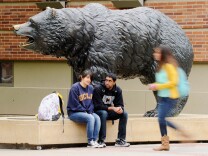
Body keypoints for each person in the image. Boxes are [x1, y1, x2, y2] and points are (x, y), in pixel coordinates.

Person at [148, 45, 187, 151]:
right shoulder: (160, 67)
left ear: (163, 55)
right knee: (161, 119)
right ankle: (165, 143)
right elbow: (162, 82)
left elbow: (174, 82)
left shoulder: (169, 66)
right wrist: (154, 85)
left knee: (161, 119)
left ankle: (177, 133)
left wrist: (158, 86)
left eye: (158, 53)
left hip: (170, 97)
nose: (155, 54)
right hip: (162, 97)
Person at [67, 69, 103, 148]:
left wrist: (89, 110)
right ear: (82, 77)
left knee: (97, 118)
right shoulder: (75, 87)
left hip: (86, 112)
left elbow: (91, 102)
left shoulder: (90, 88)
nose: (89, 80)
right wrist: (85, 111)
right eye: (87, 77)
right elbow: (74, 104)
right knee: (90, 118)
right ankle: (90, 141)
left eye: (90, 78)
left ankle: (94, 140)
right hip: (74, 112)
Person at [93, 73, 130, 147]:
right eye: (106, 80)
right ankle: (101, 140)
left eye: (110, 81)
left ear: (114, 82)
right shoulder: (98, 88)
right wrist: (113, 108)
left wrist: (120, 109)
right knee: (103, 113)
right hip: (98, 111)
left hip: (109, 112)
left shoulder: (118, 90)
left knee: (124, 113)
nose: (107, 82)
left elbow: (120, 104)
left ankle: (120, 140)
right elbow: (98, 106)